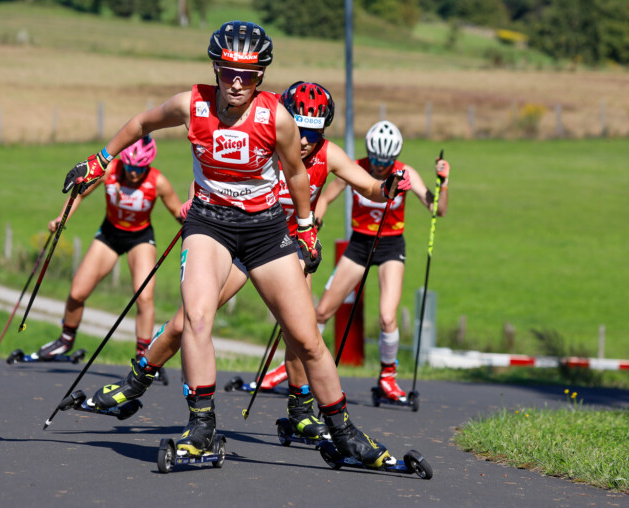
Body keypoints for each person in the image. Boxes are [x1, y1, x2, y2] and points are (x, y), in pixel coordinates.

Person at [62, 20, 402, 469]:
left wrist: (305, 225)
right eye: (228, 72)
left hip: (265, 232)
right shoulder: (192, 104)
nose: (237, 82)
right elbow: (142, 122)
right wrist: (100, 160)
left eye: (248, 73)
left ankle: (342, 431)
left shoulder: (276, 119)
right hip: (211, 225)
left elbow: (299, 174)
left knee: (307, 337)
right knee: (195, 318)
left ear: (261, 76)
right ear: (216, 68)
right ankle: (199, 425)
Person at [309, 120, 450, 403]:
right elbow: (325, 198)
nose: (379, 166)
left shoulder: (404, 172)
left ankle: (388, 377)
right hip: (360, 245)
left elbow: (437, 209)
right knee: (321, 312)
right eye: (374, 159)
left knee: (387, 316)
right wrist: (315, 222)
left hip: (390, 246)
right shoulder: (355, 167)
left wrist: (443, 184)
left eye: (385, 161)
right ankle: (299, 367)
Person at [37, 136, 183, 361]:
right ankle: (65, 341)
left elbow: (177, 213)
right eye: (130, 166)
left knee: (144, 297)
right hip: (109, 234)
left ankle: (145, 357)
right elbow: (80, 194)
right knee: (77, 292)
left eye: (140, 167)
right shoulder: (110, 171)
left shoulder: (157, 182)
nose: (134, 173)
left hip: (140, 238)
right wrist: (61, 219)